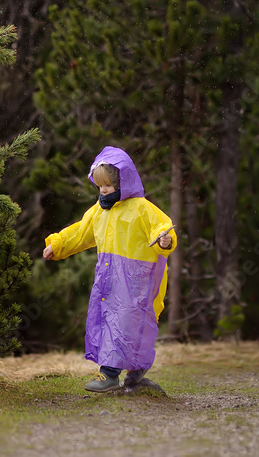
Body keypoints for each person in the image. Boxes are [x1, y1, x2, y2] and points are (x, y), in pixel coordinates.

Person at [43, 146, 175, 392]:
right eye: (99, 185)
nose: (103, 190)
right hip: (109, 277)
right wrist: (58, 245)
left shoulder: (141, 207)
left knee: (132, 321)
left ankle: (120, 374)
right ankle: (117, 373)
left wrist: (164, 240)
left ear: (123, 181)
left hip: (136, 279)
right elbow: (80, 232)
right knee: (110, 320)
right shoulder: (99, 210)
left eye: (108, 185)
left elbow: (161, 227)